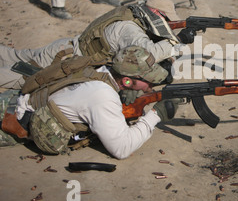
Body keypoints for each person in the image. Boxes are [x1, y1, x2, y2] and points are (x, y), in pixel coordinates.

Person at [0, 46, 181, 159]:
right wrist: (156, 115)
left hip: (13, 101)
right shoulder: (102, 95)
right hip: (9, 120)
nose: (151, 85)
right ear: (126, 80)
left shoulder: (99, 69)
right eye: (147, 80)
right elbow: (122, 149)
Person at [0, 0, 196, 90]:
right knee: (22, 77)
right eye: (166, 19)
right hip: (62, 60)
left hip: (66, 49)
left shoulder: (133, 15)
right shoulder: (130, 28)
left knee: (16, 55)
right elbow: (147, 54)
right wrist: (177, 41)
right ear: (155, 13)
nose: (168, 24)